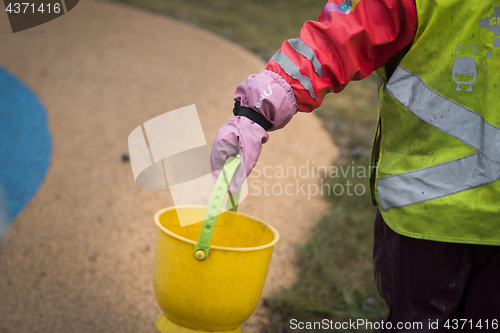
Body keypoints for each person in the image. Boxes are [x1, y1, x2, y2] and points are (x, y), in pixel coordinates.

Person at [210, 0, 500, 331]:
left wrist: (256, 113)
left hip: (424, 204)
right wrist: (255, 113)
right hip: (425, 213)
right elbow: (342, 35)